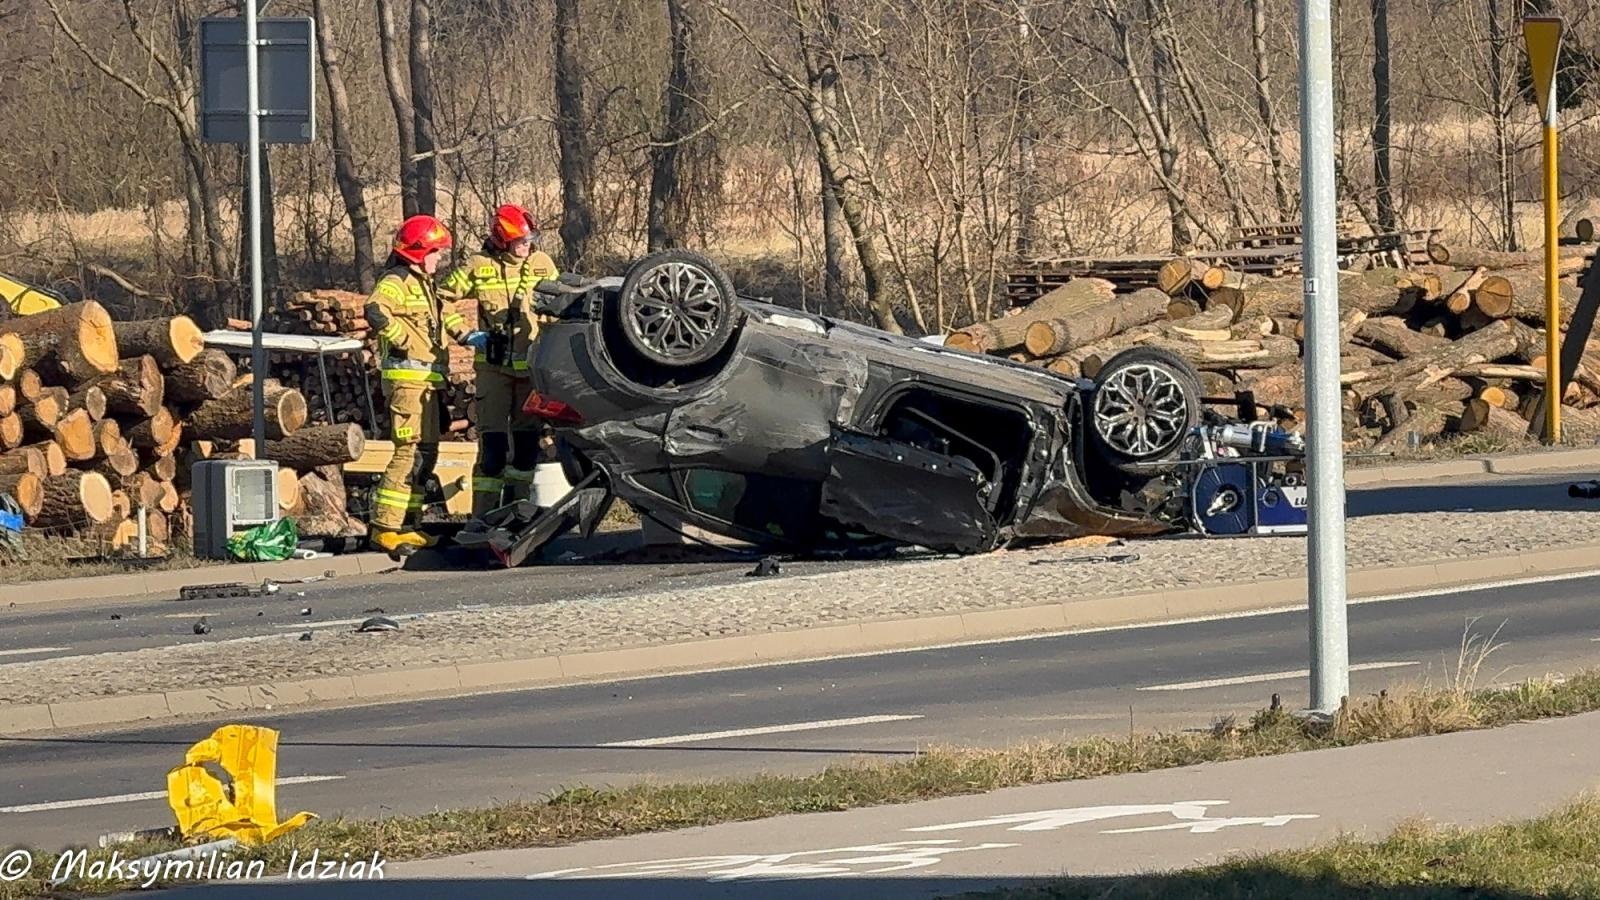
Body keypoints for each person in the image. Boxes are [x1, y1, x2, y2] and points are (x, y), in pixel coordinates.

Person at [363, 214, 486, 555]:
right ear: (418, 252)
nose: (439, 259)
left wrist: (468, 335)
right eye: (435, 253)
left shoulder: (426, 285)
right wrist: (399, 336)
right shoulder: (397, 280)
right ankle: (386, 527)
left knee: (426, 455)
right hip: (407, 386)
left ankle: (408, 524)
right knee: (408, 453)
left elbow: (444, 315)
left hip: (428, 384)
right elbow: (374, 309)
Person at [439, 203, 560, 519]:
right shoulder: (478, 266)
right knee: (492, 452)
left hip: (531, 372)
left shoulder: (541, 264)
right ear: (502, 241)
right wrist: (465, 335)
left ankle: (518, 514)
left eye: (529, 239)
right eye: (519, 241)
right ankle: (482, 518)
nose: (526, 246)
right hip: (493, 371)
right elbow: (439, 301)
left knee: (525, 450)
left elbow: (561, 304)